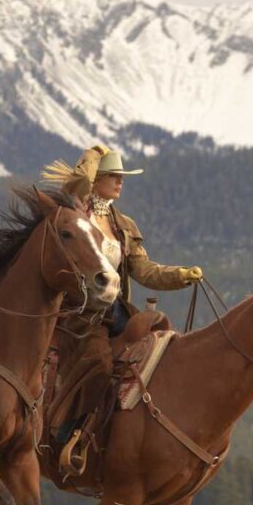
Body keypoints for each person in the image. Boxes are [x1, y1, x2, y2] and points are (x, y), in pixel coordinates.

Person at [41, 146, 202, 452]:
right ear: (97, 178)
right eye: (113, 176)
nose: (120, 182)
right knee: (99, 362)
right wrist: (93, 156)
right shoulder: (76, 212)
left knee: (156, 352)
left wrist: (180, 275)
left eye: (121, 177)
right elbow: (77, 183)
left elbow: (144, 270)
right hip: (79, 310)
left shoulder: (123, 225)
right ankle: (67, 432)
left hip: (115, 309)